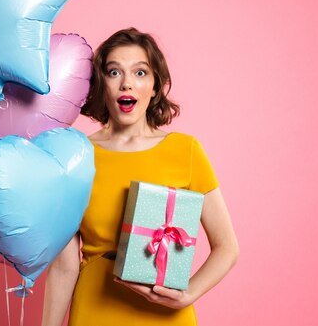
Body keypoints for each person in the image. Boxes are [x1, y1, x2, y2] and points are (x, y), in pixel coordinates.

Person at [41, 28, 239, 326]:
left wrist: (188, 295)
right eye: (113, 72)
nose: (127, 84)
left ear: (156, 86)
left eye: (140, 73)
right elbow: (64, 265)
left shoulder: (186, 150)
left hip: (166, 314)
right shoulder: (76, 156)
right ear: (101, 83)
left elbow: (227, 247)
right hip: (96, 311)